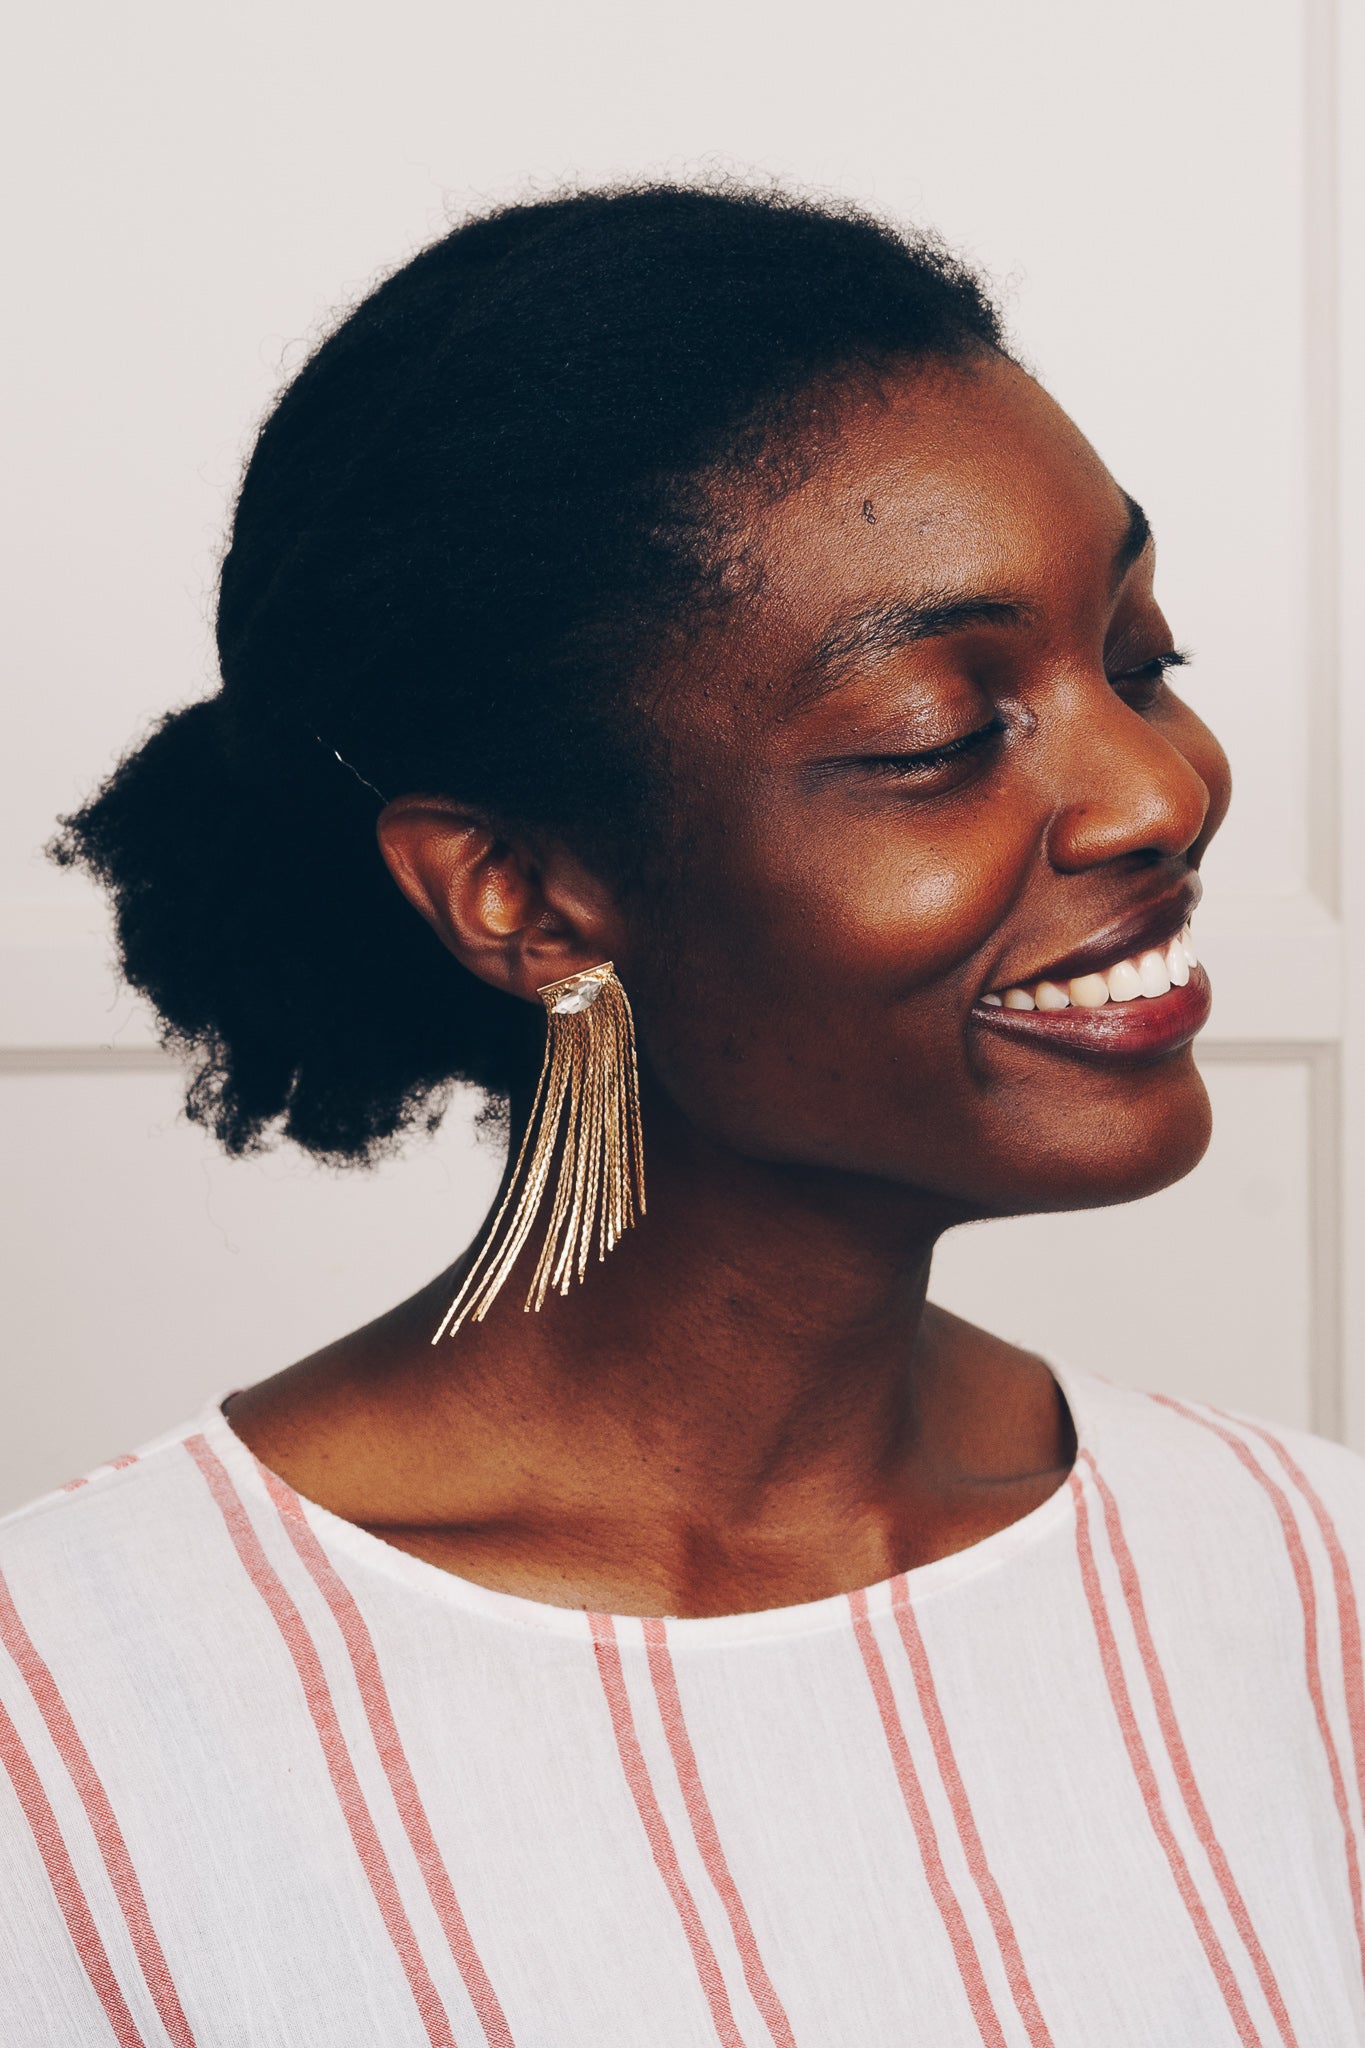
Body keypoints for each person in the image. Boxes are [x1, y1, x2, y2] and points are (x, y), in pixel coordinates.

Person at [1, 183, 1360, 2047]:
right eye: (938, 736)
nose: (1154, 794)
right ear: (522, 894)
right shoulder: (61, 1724)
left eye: (1139, 660)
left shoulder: (1315, 1581)